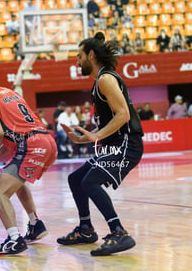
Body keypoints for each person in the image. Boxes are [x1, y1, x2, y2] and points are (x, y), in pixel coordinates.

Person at [56, 37, 144, 256]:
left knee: (90, 181)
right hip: (116, 144)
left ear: (91, 56)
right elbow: (108, 125)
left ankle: (119, 232)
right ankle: (86, 229)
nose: (77, 61)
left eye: (79, 56)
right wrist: (84, 138)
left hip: (127, 145)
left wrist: (97, 137)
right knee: (75, 179)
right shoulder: (99, 82)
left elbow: (123, 114)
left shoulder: (105, 79)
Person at [0, 64, 57, 256]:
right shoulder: (9, 93)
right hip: (47, 140)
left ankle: (14, 239)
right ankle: (35, 224)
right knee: (15, 180)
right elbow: (8, 141)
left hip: (31, 145)